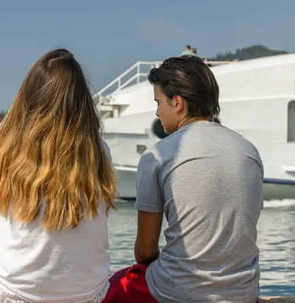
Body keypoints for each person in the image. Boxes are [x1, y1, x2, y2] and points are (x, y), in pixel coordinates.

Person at [0, 48, 117, 303]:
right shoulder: (99, 152)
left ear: (29, 97)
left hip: (13, 293)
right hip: (85, 294)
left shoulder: (6, 151)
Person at [103, 55, 264, 303]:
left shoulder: (157, 155)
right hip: (244, 292)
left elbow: (145, 252)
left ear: (177, 102)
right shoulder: (249, 150)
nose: (157, 112)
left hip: (179, 293)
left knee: (115, 286)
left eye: (158, 102)